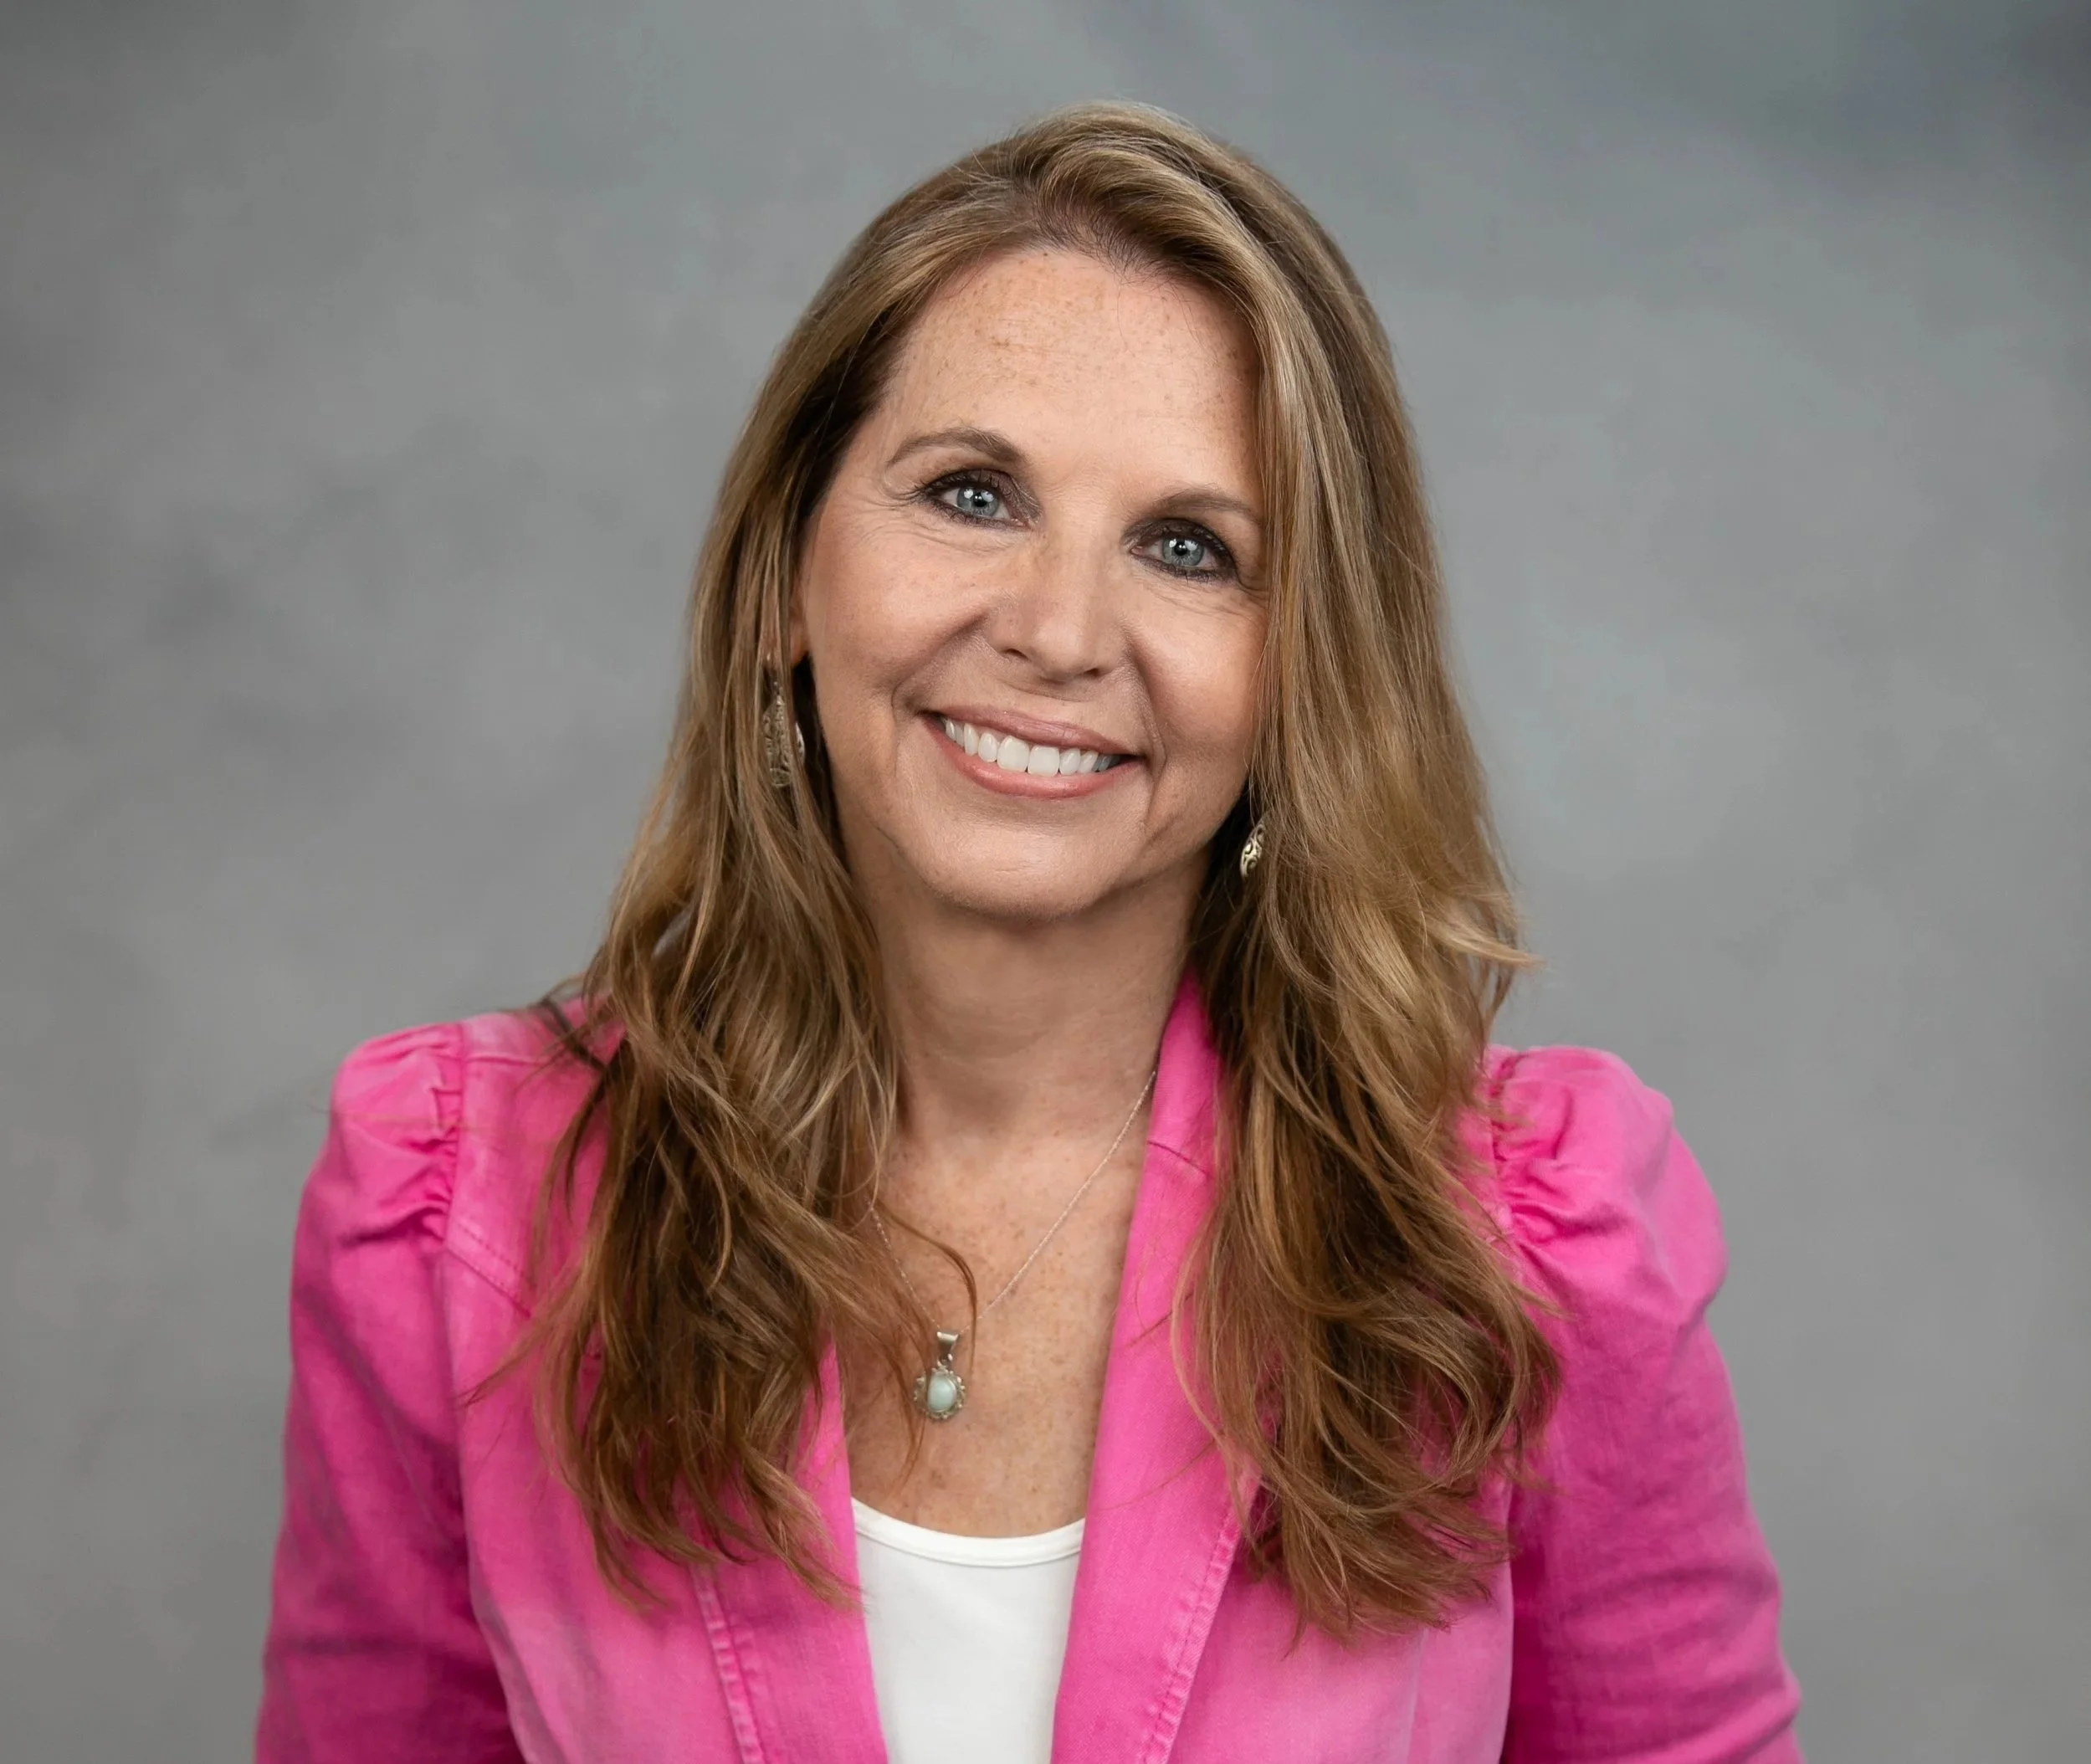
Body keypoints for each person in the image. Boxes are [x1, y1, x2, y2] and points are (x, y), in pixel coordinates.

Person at [254, 101, 1802, 1762]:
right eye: (974, 494)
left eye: (1189, 548)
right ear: (788, 571)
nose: (1060, 630)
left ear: (1299, 678)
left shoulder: (1527, 1247)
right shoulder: (456, 1208)